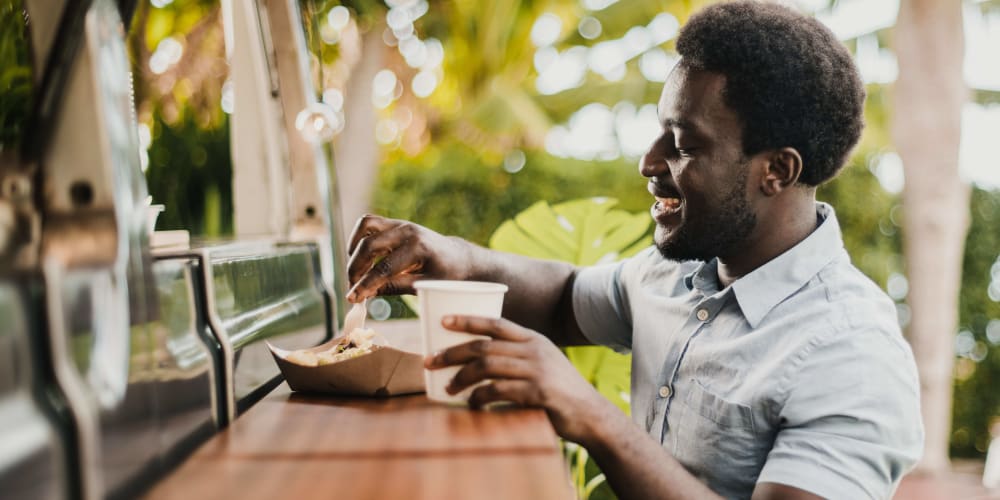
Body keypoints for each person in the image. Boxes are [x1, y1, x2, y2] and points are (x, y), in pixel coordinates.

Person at [345, 2, 924, 498]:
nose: (649, 164)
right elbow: (566, 299)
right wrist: (456, 258)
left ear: (776, 169)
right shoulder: (688, 269)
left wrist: (593, 418)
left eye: (682, 145)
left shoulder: (851, 355)